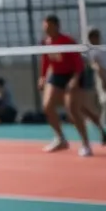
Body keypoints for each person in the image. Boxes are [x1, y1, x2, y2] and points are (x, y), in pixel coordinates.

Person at [38, 14, 93, 156]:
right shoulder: (46, 42)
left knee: (72, 110)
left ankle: (86, 144)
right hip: (57, 75)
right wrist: (43, 77)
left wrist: (75, 79)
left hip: (73, 74)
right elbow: (45, 61)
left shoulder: (67, 41)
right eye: (44, 26)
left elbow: (79, 63)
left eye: (48, 26)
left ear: (56, 26)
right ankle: (60, 138)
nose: (46, 29)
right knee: (47, 106)